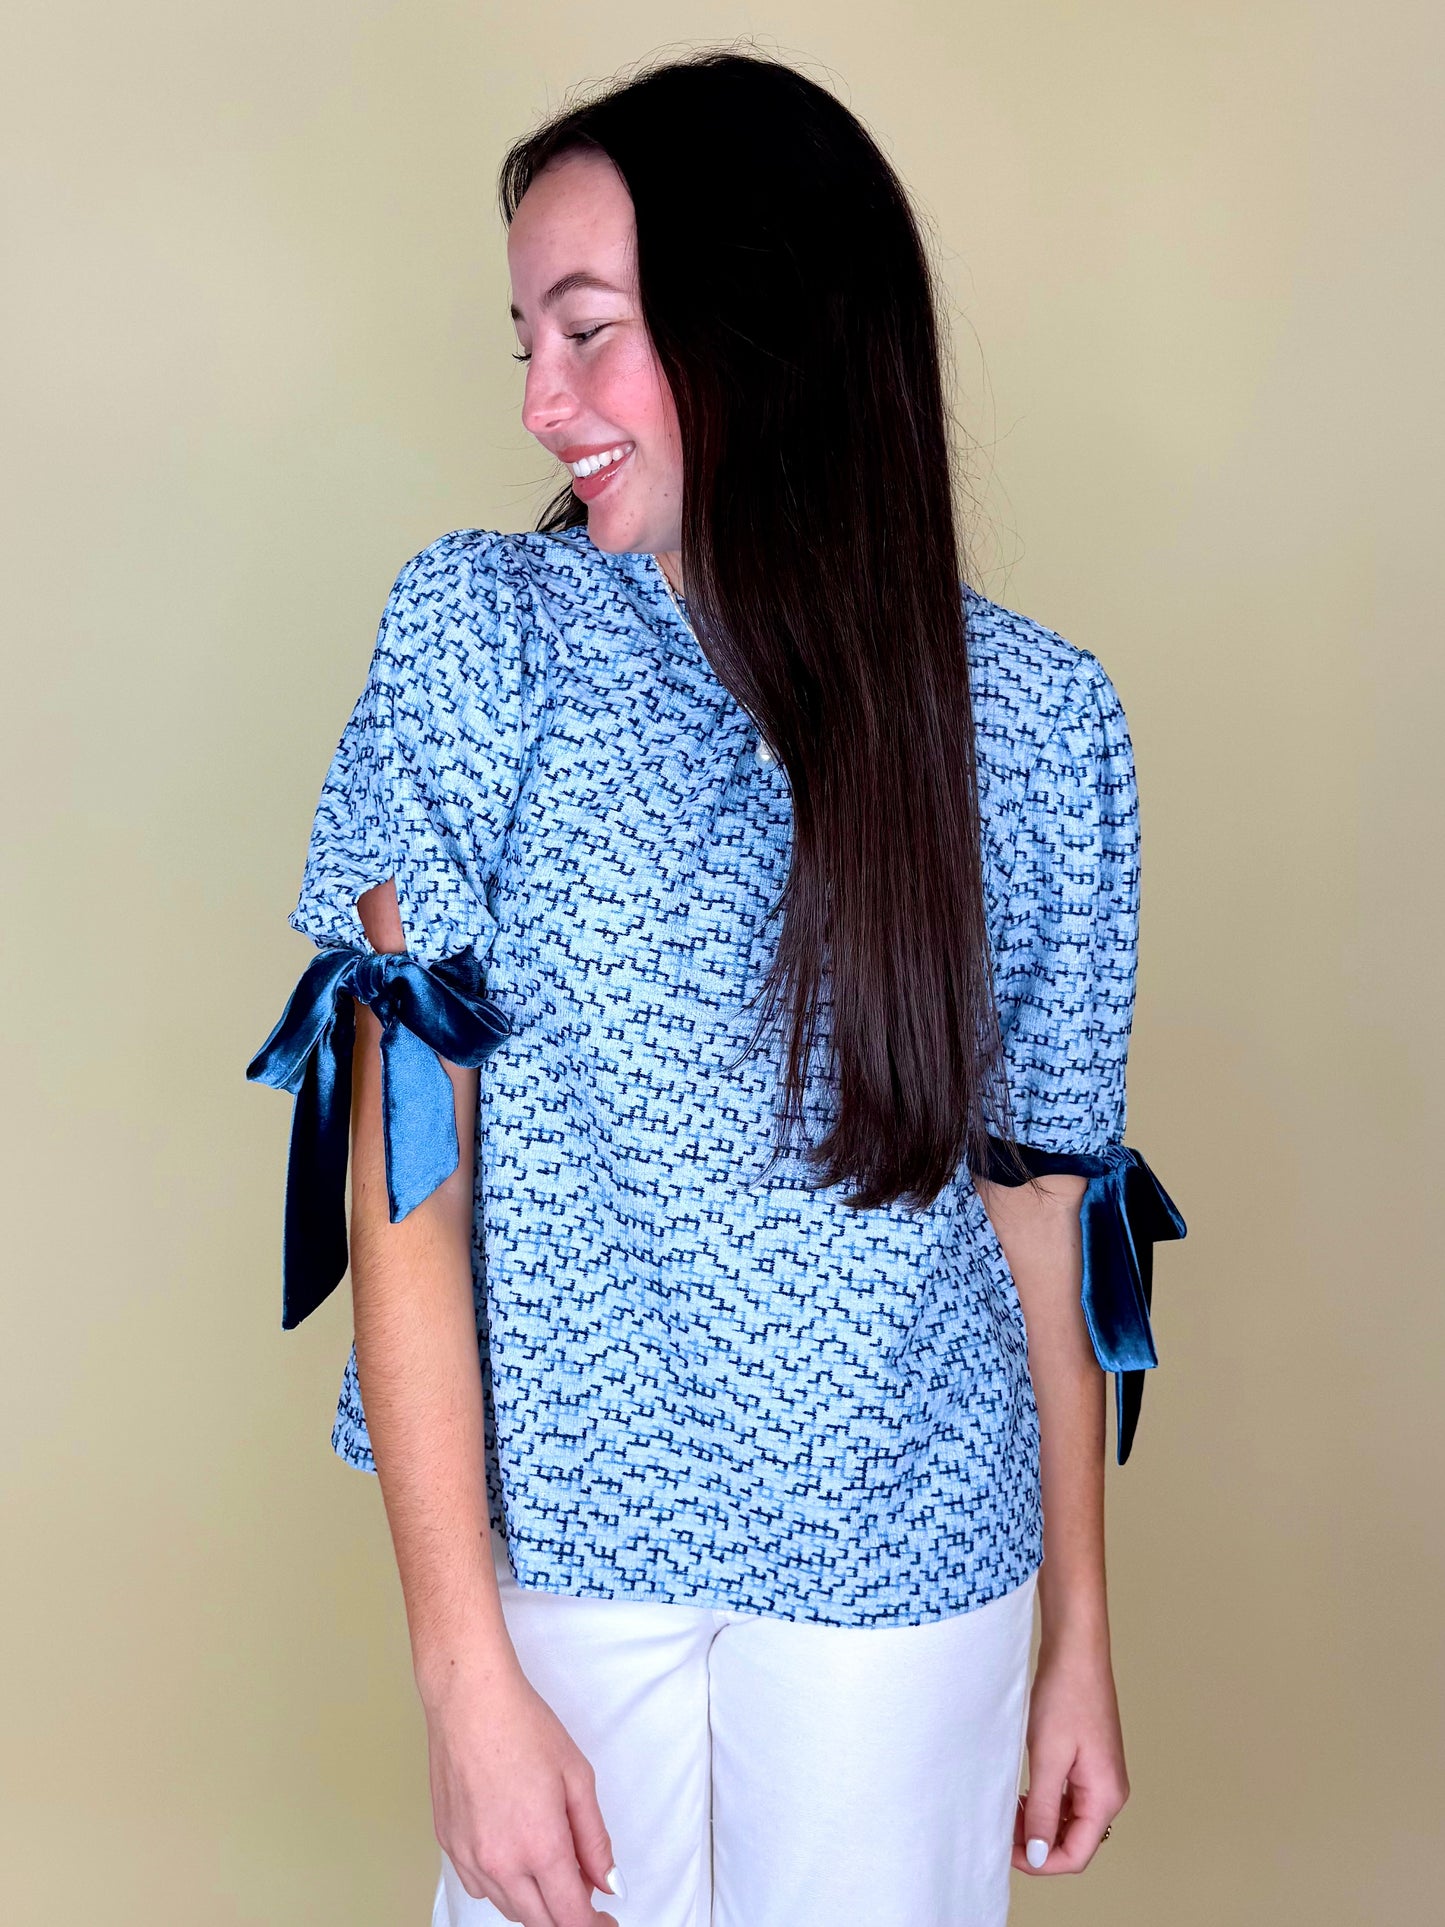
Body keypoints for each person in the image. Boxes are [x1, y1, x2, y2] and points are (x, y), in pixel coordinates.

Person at [246, 48, 1187, 1927]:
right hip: (564, 1545)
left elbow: (1044, 1200)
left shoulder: (1032, 720)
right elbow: (404, 1169)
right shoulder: (478, 640)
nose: (539, 400)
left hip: (912, 1563)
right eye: (525, 337)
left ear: (765, 326)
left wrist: (1078, 1631)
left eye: (587, 331)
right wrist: (460, 1673)